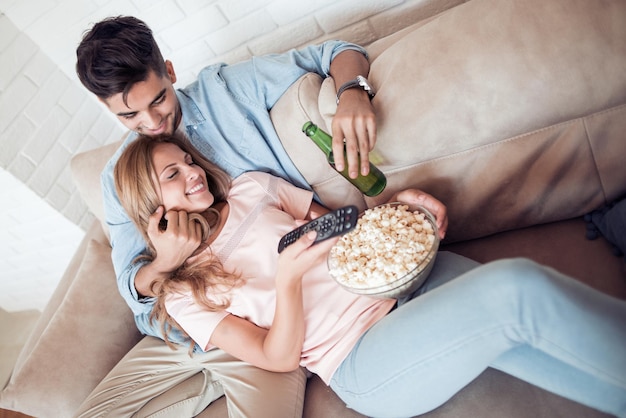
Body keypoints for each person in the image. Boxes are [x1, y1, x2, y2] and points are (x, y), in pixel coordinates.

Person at [115, 133, 626, 418]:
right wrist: (288, 277)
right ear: (151, 205)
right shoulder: (183, 292)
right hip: (362, 357)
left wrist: (394, 210)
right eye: (173, 175)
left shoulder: (253, 188)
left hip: (405, 284)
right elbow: (277, 357)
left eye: (188, 160)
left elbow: (349, 231)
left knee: (521, 331)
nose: (194, 173)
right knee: (517, 289)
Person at [74, 15, 380, 417]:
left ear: (169, 72)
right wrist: (166, 262)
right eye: (129, 116)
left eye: (158, 100)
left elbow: (335, 53)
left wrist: (352, 93)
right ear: (105, 107)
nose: (151, 124)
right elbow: (136, 288)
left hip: (265, 320)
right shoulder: (119, 179)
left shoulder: (227, 92)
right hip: (189, 322)